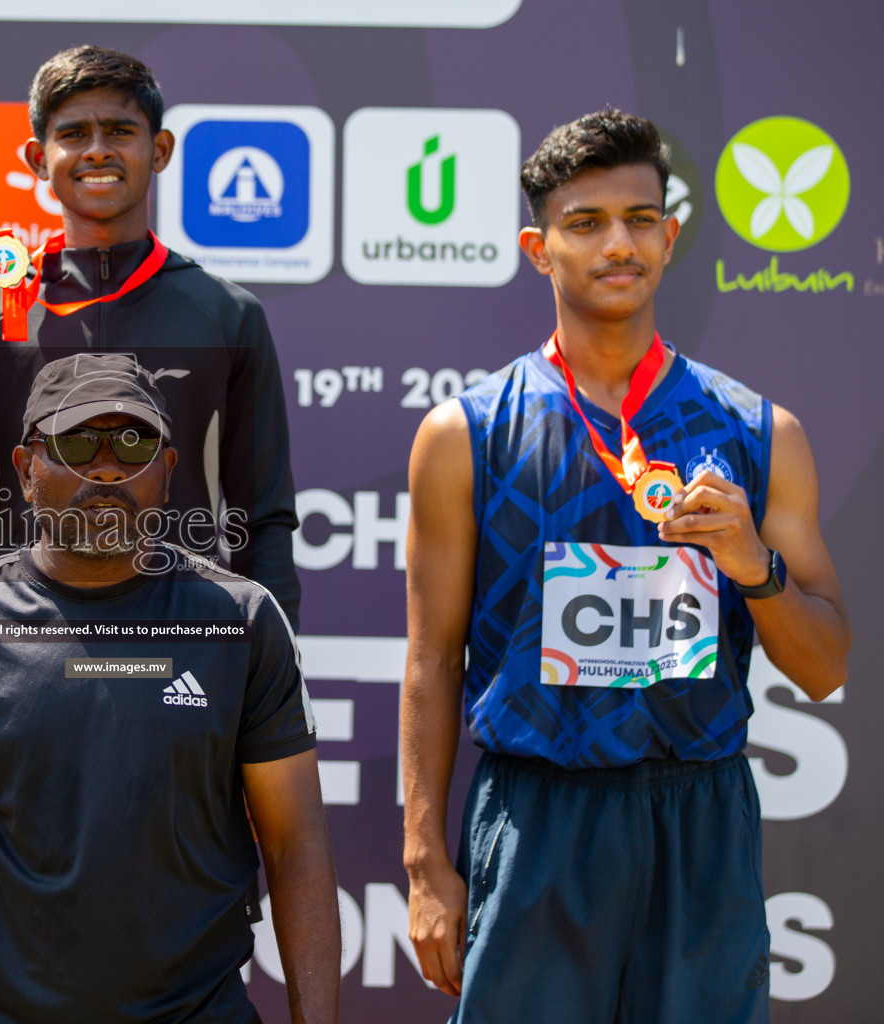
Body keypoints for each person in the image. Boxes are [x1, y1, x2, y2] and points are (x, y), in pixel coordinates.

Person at [399, 109, 850, 1023]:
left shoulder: (761, 433)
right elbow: (431, 663)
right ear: (539, 248)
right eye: (586, 222)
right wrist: (423, 861)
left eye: (641, 220)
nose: (619, 243)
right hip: (537, 818)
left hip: (698, 820)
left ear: (671, 236)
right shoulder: (465, 434)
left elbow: (826, 664)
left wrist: (751, 564)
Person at [0, 353, 339, 1024]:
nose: (107, 467)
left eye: (133, 441)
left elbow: (297, 847)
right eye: (78, 441)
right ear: (26, 470)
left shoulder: (241, 621)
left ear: (168, 471)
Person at [0, 44, 302, 626]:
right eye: (74, 134)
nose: (97, 151)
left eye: (119, 130)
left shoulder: (225, 313)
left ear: (158, 149)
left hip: (183, 642)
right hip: (27, 642)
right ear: (39, 158)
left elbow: (263, 519)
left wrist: (273, 664)